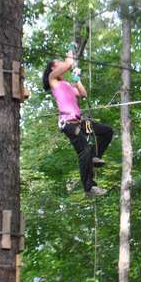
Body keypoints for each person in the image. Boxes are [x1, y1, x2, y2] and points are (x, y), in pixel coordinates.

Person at [42, 45, 113, 198]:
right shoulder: (53, 80)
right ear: (54, 67)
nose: (62, 63)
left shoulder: (66, 85)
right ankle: (89, 188)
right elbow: (68, 64)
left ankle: (94, 156)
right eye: (59, 62)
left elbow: (83, 94)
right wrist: (70, 50)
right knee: (84, 150)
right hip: (68, 123)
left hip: (80, 122)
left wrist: (77, 79)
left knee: (107, 131)